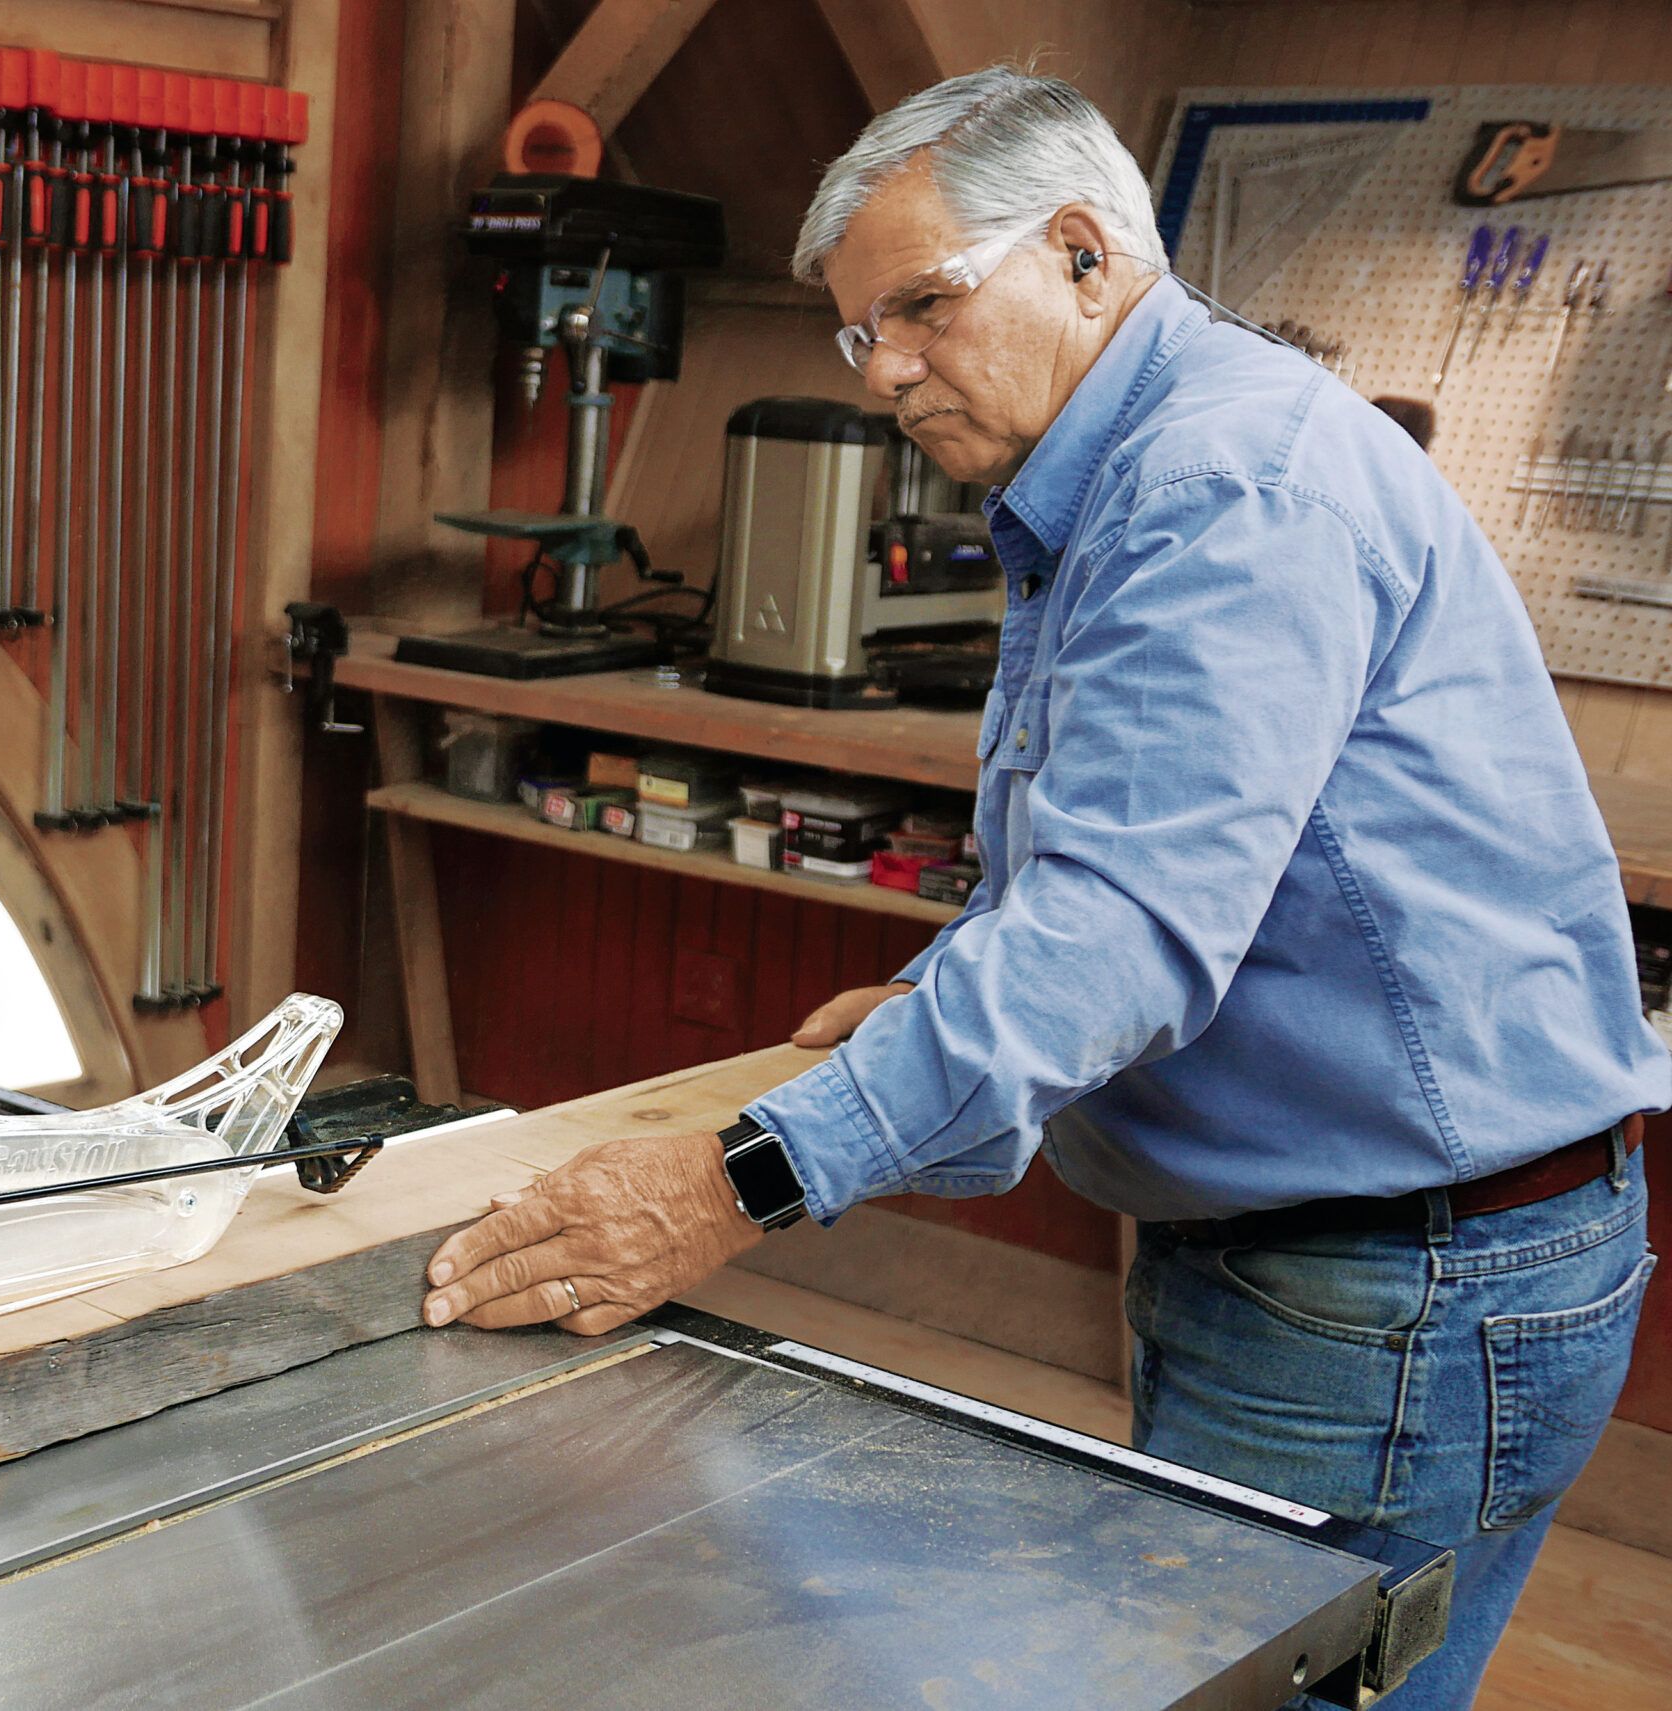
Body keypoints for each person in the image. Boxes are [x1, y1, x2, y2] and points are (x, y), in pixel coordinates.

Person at [417, 66, 1669, 1706]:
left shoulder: (1219, 487)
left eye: (924, 309)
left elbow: (1120, 944)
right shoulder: (1144, 461)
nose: (891, 376)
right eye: (864, 336)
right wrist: (962, 984)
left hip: (1398, 1293)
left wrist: (722, 1188)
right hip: (1357, 1260)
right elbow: (1129, 862)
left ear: (1082, 252)